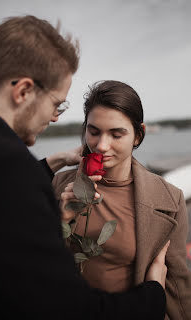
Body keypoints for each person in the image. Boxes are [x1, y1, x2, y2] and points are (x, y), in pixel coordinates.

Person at [0, 15, 167, 320]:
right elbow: (68, 310)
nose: (55, 118)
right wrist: (154, 294)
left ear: (138, 135)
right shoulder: (13, 170)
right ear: (23, 91)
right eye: (57, 104)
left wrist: (52, 162)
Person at [52, 80, 191, 320]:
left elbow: (177, 285)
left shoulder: (171, 199)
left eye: (117, 134)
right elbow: (36, 267)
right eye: (94, 131)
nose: (102, 145)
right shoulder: (58, 185)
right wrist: (60, 218)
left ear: (138, 135)